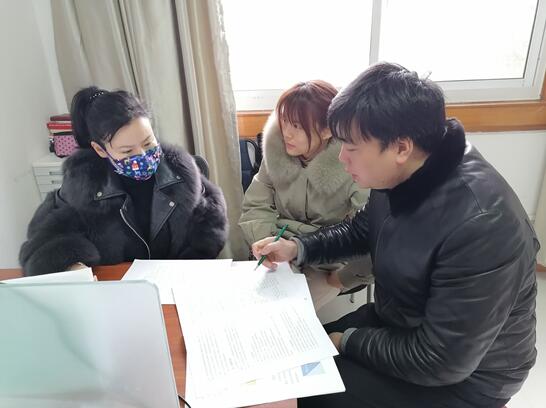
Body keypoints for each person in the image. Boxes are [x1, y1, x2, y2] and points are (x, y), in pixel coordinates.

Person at [252, 63, 538, 408]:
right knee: (286, 356)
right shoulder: (404, 170)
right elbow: (361, 229)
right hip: (401, 323)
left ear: (400, 148)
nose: (341, 158)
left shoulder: (481, 224)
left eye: (352, 148)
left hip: (467, 377)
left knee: (293, 392)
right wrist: (297, 248)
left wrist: (347, 341)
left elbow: (442, 360)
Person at [20, 86, 228, 276]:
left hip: (177, 281)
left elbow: (212, 218)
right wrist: (72, 265)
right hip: (117, 286)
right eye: (127, 151)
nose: (143, 155)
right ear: (100, 150)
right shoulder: (84, 185)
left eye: (148, 143)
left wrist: (192, 263)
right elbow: (41, 246)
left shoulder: (180, 172)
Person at [239, 80, 371, 310]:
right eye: (284, 121)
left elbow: (368, 230)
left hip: (328, 258)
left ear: (327, 130)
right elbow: (255, 206)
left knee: (289, 313)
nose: (286, 133)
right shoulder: (275, 151)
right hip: (280, 246)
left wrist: (341, 276)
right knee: (251, 307)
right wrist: (268, 245)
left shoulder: (352, 162)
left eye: (297, 126)